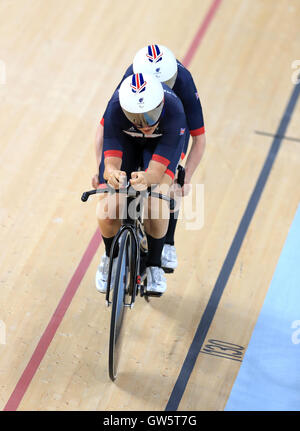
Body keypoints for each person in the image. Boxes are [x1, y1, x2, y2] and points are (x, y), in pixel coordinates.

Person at [92, 44, 206, 273]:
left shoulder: (181, 87)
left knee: (167, 189)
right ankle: (112, 257)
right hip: (128, 137)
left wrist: (187, 177)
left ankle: (166, 245)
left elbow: (199, 139)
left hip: (169, 134)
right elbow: (103, 133)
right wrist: (101, 172)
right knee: (110, 201)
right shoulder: (128, 89)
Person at [95, 72, 188, 294]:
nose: (145, 125)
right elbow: (110, 162)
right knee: (108, 209)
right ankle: (111, 256)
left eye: (150, 116)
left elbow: (155, 173)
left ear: (160, 104)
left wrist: (147, 178)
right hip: (126, 142)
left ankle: (155, 264)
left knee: (155, 205)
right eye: (137, 118)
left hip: (162, 144)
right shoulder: (116, 106)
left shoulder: (175, 111)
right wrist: (111, 174)